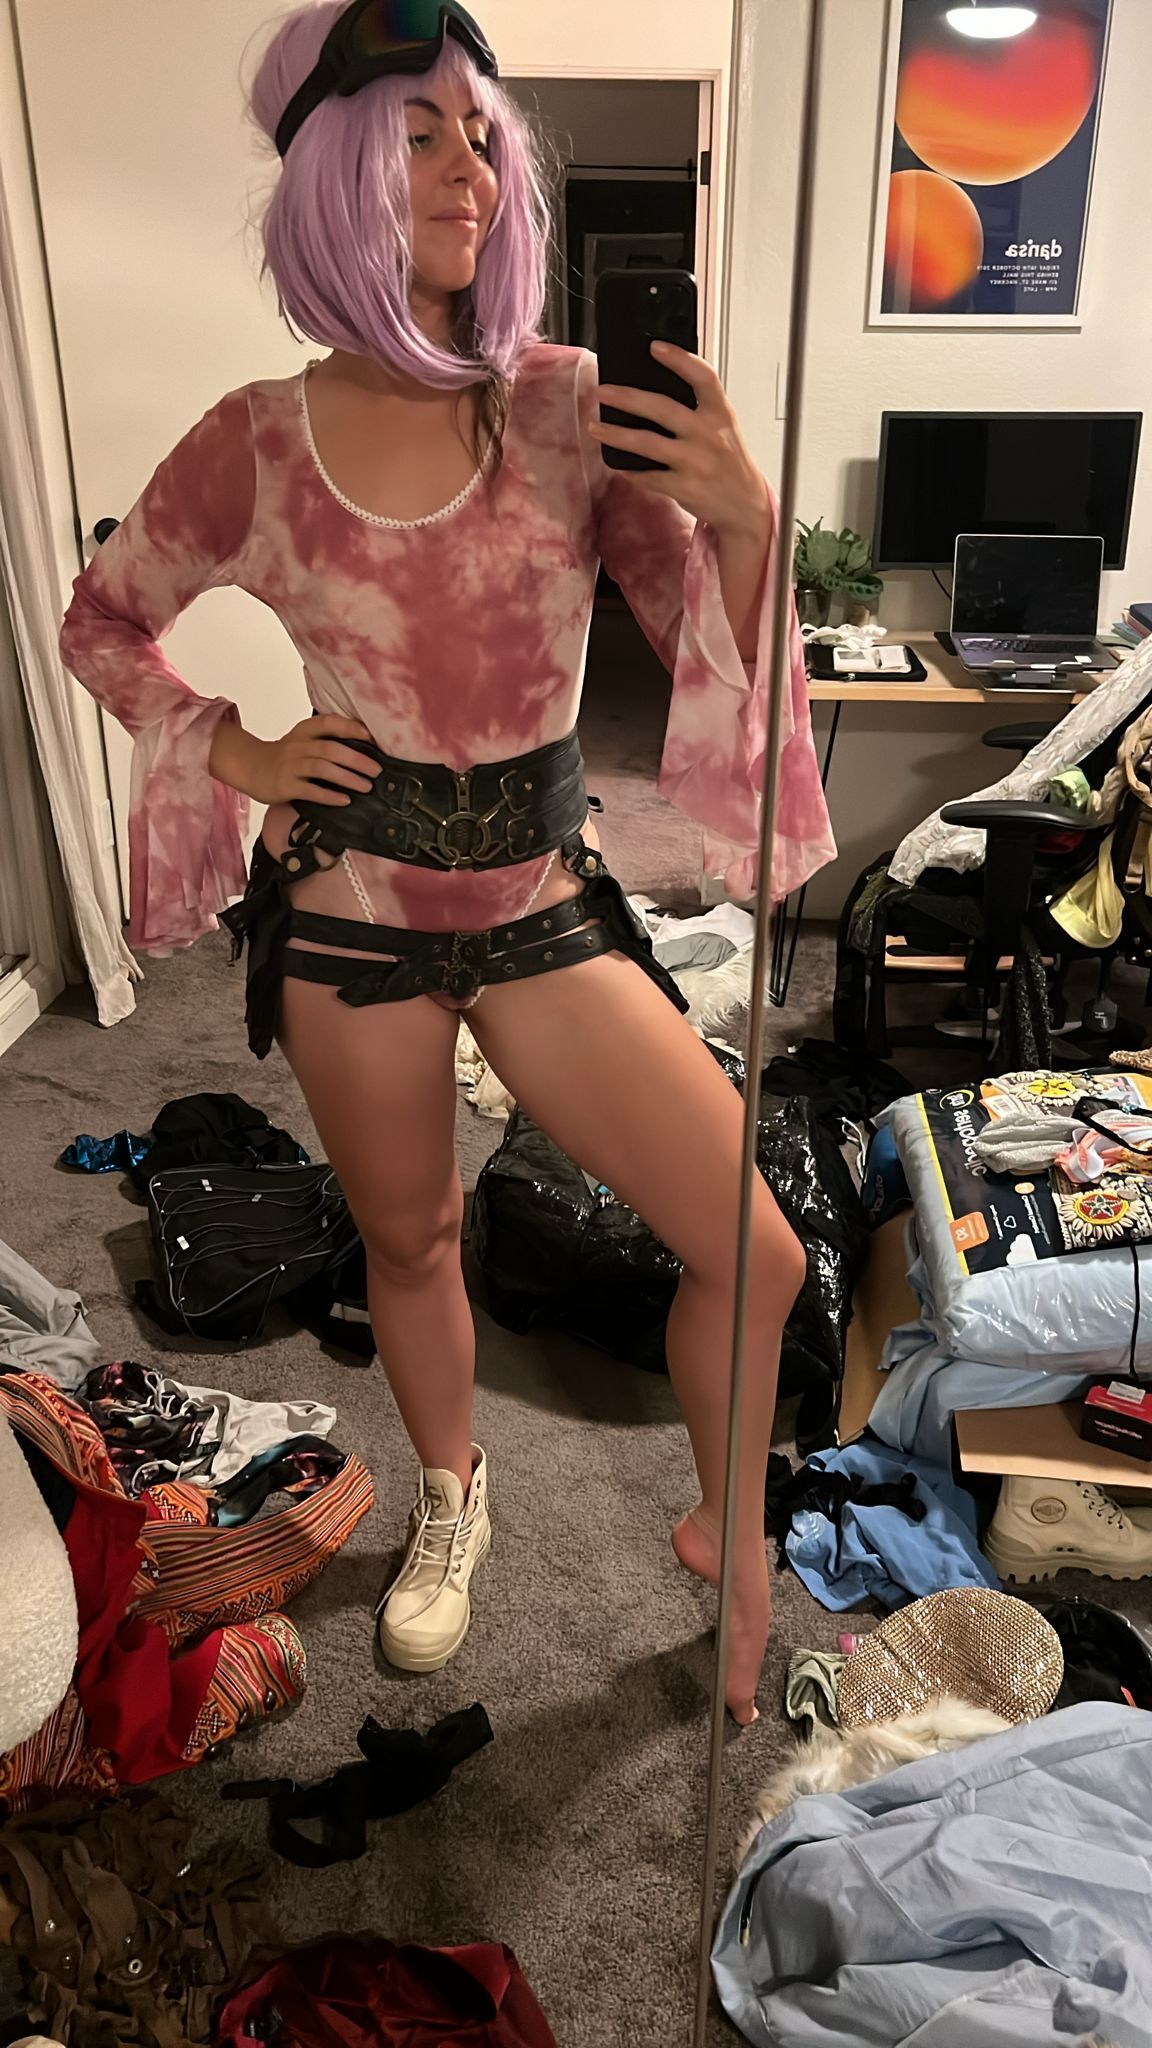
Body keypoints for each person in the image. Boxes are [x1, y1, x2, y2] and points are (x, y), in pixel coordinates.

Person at [59, 0, 835, 1724]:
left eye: (482, 132)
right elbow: (102, 621)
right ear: (336, 169)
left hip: (542, 904)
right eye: (419, 133)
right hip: (353, 916)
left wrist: (746, 519)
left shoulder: (566, 406)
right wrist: (239, 748)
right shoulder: (257, 438)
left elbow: (711, 647)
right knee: (407, 1244)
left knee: (758, 1252)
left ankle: (730, 1533)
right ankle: (453, 1494)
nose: (469, 165)